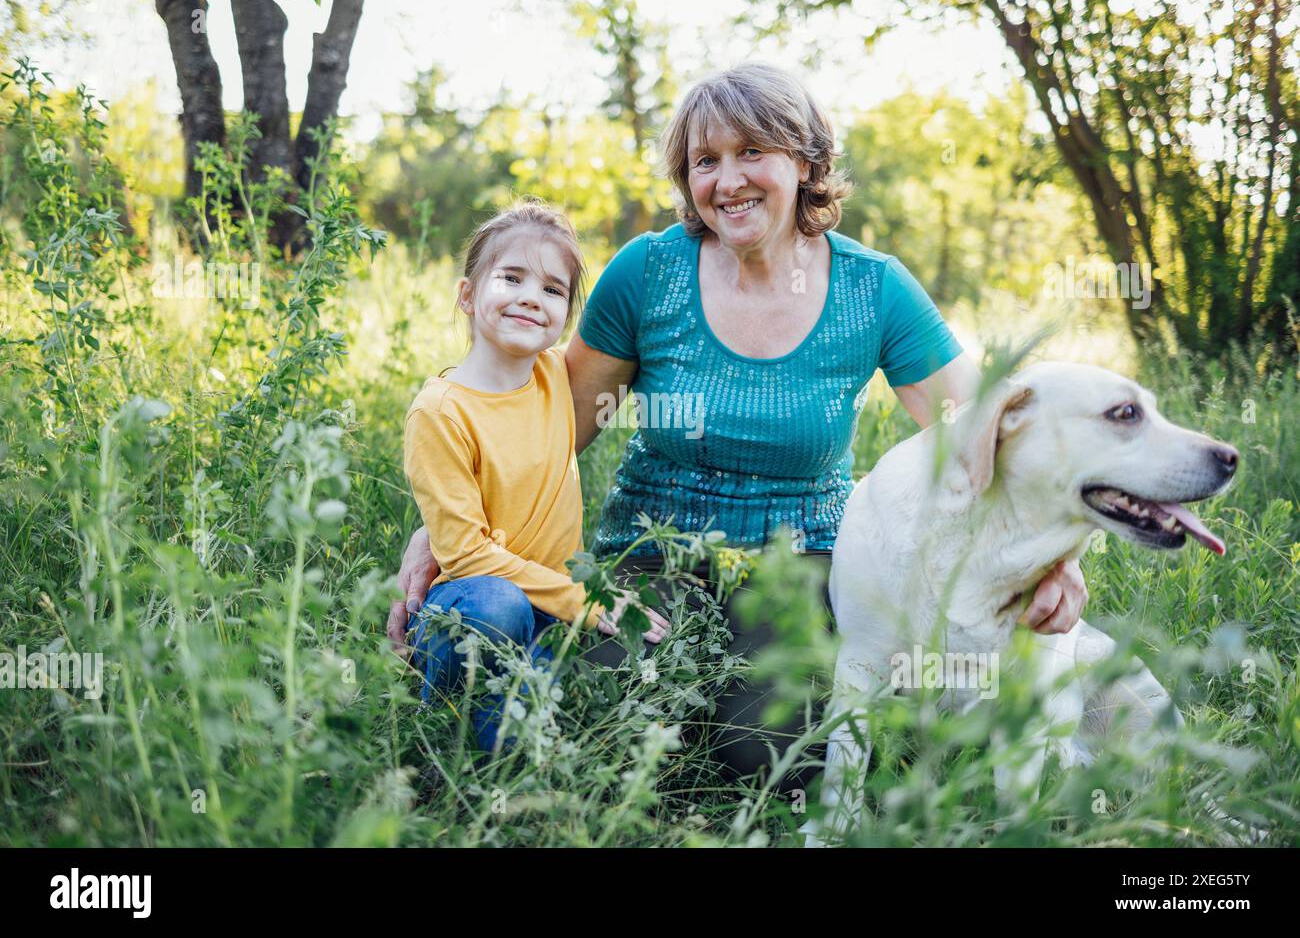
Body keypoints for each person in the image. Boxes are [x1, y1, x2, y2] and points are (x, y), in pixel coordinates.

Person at [390, 65, 1087, 777]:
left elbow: (983, 429)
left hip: (801, 565)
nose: (727, 181)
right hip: (651, 555)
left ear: (806, 162)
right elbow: (546, 431)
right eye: (705, 161)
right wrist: (445, 528)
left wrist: (1053, 557)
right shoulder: (648, 273)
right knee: (610, 728)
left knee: (767, 757)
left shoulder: (869, 288)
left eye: (752, 151)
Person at [401, 199, 670, 753]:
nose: (531, 296)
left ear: (565, 319)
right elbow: (468, 556)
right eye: (511, 277)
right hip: (471, 607)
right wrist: (589, 601)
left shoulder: (552, 376)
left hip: (547, 610)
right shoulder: (441, 411)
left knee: (601, 676)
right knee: (500, 607)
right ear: (468, 296)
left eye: (552, 290)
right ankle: (458, 753)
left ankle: (521, 741)